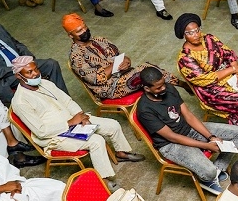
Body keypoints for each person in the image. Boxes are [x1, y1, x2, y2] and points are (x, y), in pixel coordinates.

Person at [10, 56, 144, 182]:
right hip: (55, 136)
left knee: (112, 124)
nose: (35, 74)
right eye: (29, 72)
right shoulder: (21, 101)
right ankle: (104, 180)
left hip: (74, 120)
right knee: (96, 141)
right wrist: (70, 123)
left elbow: (67, 101)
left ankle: (122, 153)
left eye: (36, 69)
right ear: (18, 76)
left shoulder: (44, 83)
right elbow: (41, 131)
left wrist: (81, 116)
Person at [175, 14, 238, 148]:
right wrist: (232, 70)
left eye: (197, 30)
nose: (195, 35)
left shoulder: (209, 38)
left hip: (233, 72)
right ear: (183, 35)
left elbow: (229, 54)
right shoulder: (185, 58)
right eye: (189, 33)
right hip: (212, 90)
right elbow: (206, 79)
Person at [137, 67, 238, 196]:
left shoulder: (169, 88)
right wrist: (206, 145)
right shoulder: (145, 110)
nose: (163, 89)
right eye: (158, 88)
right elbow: (172, 137)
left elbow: (188, 115)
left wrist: (211, 137)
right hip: (171, 145)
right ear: (147, 88)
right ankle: (208, 178)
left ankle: (218, 168)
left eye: (163, 84)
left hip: (188, 129)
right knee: (208, 172)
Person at [0, 8, 67, 105]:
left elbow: (17, 44)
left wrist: (28, 58)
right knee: (28, 80)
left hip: (23, 64)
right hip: (5, 77)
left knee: (51, 64)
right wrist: (16, 68)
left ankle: (65, 101)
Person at [64, 13, 177, 101]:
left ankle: (171, 93)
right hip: (110, 87)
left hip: (125, 75)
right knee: (146, 73)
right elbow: (97, 79)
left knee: (149, 71)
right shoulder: (76, 57)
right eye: (79, 31)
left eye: (84, 27)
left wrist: (127, 61)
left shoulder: (100, 40)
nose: (84, 31)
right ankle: (180, 86)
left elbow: (120, 56)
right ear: (70, 35)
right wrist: (115, 65)